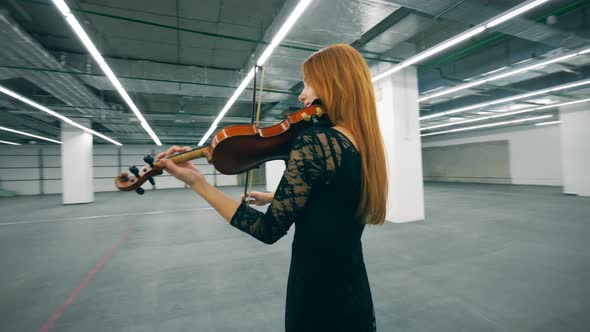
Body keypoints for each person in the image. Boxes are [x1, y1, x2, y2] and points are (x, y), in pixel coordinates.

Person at [158, 43, 388, 332]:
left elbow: (267, 230)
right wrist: (274, 196)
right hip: (351, 282)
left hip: (317, 290)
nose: (302, 94)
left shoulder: (315, 142)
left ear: (334, 82)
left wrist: (198, 183)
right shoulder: (359, 142)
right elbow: (334, 198)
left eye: (309, 83)